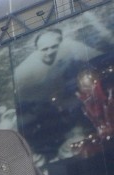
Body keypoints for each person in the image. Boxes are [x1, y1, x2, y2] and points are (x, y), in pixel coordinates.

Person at [14, 28, 102, 161]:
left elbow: (97, 56)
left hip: (64, 91)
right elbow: (21, 103)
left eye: (54, 47)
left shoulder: (70, 47)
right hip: (37, 103)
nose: (50, 52)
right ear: (36, 49)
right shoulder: (23, 72)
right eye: (44, 49)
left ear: (60, 44)